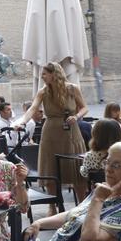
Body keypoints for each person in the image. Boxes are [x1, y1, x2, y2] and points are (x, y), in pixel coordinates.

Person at [15, 62, 88, 202]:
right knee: (50, 167)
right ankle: (52, 205)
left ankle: (82, 204)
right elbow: (33, 108)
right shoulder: (43, 91)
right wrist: (22, 122)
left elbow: (84, 108)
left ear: (54, 74)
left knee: (76, 166)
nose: (42, 77)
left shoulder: (73, 89)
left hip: (71, 131)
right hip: (50, 131)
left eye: (44, 74)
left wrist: (76, 116)